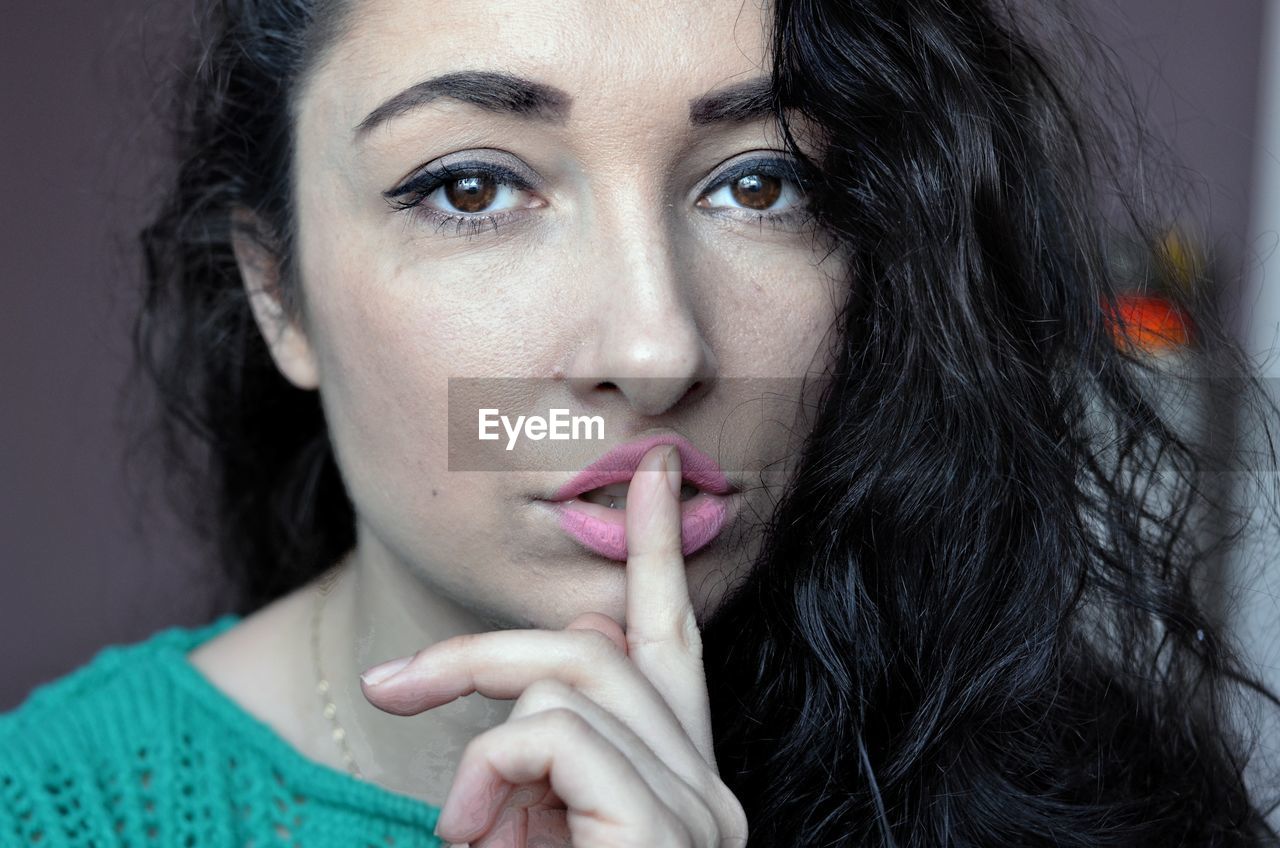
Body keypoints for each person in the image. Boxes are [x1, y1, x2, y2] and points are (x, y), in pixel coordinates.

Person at [3, 0, 1279, 845]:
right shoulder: (60, 809)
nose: (657, 348)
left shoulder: (1088, 794)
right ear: (276, 292)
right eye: (470, 186)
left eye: (759, 182)